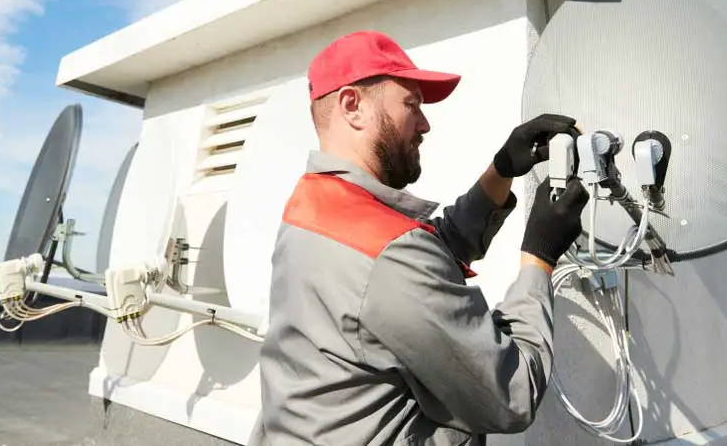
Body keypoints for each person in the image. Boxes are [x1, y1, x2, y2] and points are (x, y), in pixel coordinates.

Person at [248, 30, 590, 446]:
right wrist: (538, 257)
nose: (425, 123)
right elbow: (511, 393)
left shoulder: (312, 204)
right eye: (412, 104)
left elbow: (424, 255)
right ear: (352, 106)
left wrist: (500, 170)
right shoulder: (388, 253)